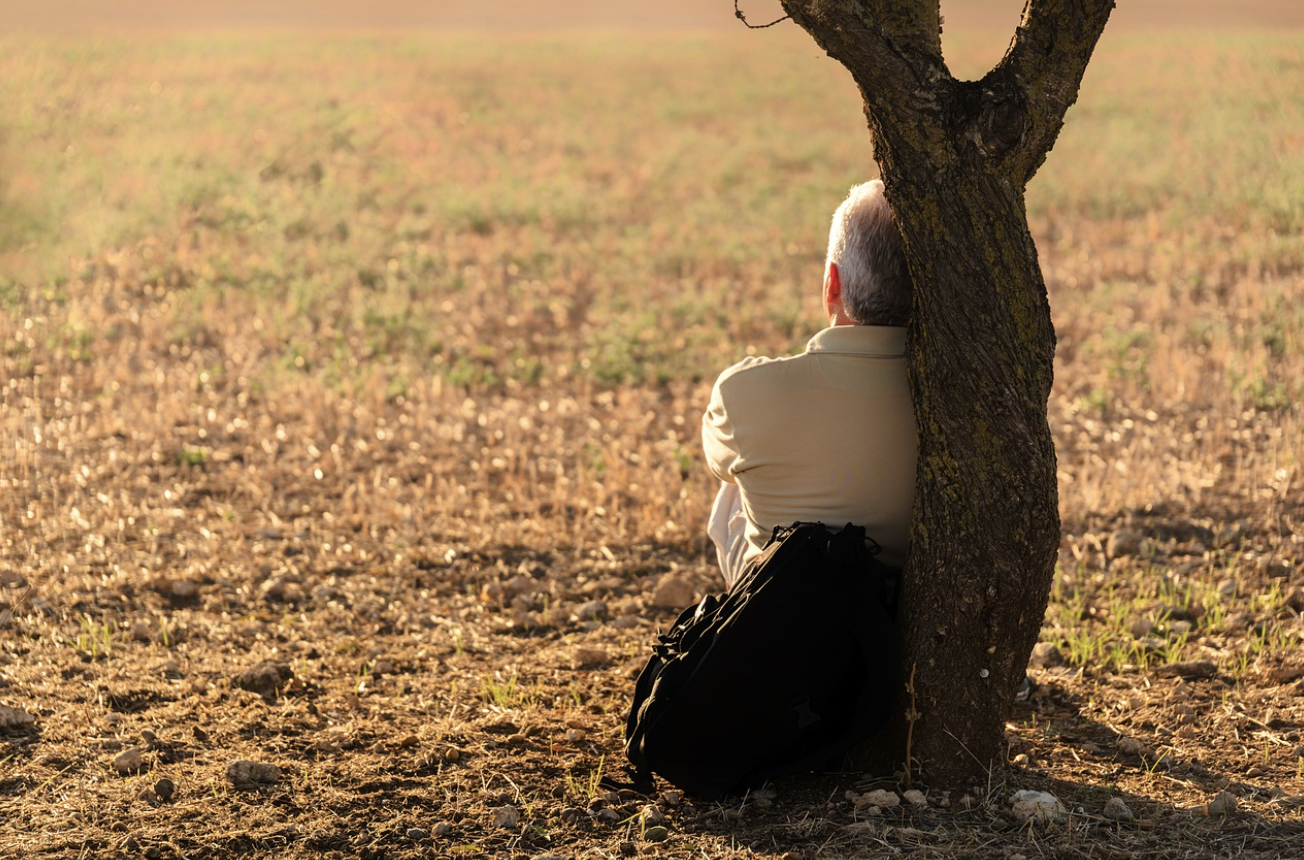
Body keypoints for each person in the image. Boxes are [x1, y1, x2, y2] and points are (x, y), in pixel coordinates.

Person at [702, 180, 917, 586]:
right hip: (899, 607)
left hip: (784, 609)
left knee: (736, 479)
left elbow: (717, 462)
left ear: (831, 282)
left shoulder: (744, 392)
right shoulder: (960, 399)